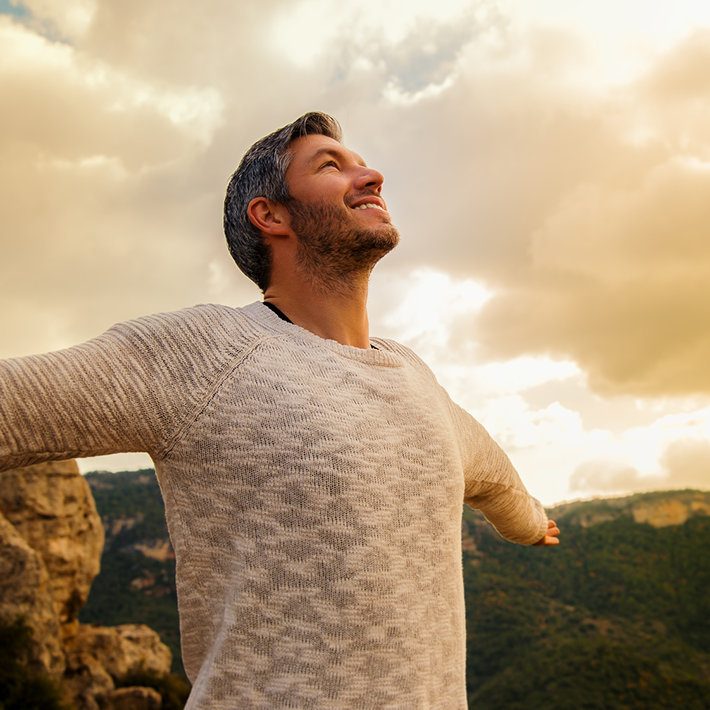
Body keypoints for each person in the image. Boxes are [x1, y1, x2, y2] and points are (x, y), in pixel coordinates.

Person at [0, 112, 560, 709]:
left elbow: (487, 470)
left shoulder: (411, 374)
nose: (371, 176)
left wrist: (528, 522)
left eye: (362, 164)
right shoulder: (206, 352)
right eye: (330, 165)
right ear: (270, 215)